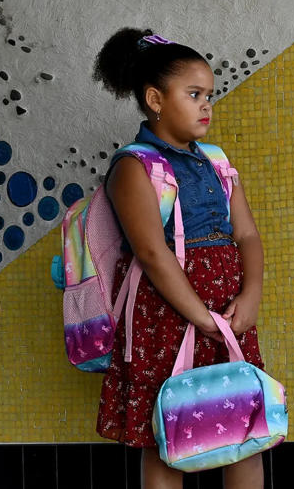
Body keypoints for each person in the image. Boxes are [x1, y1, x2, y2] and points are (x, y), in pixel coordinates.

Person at [92, 27, 265, 489]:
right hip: (166, 318)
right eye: (194, 94)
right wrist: (199, 317)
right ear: (155, 98)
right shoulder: (134, 166)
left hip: (228, 314)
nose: (207, 105)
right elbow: (151, 252)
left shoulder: (217, 161)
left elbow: (246, 233)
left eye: (209, 95)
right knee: (167, 431)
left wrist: (250, 297)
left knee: (245, 429)